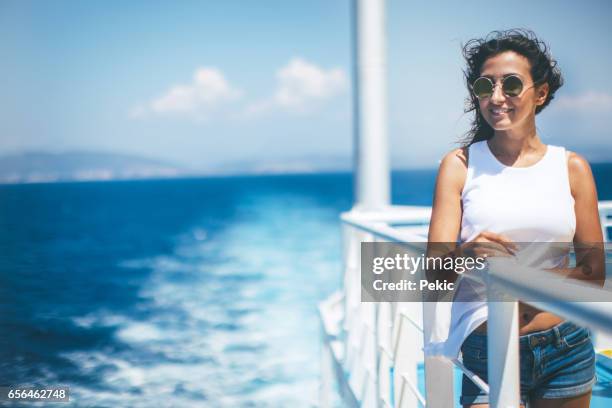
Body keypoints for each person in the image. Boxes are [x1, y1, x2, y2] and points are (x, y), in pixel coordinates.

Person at [427, 29, 604, 408]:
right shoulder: (459, 166)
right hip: (487, 347)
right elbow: (435, 273)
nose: (496, 97)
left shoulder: (572, 168)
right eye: (485, 85)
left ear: (540, 94)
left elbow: (593, 273)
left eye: (511, 84)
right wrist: (467, 253)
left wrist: (521, 281)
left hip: (565, 345)